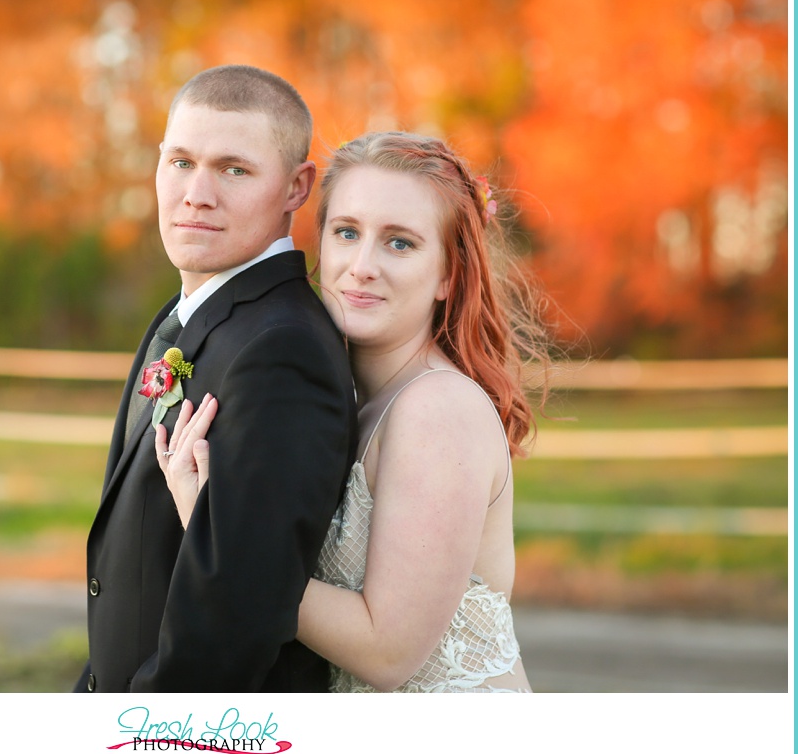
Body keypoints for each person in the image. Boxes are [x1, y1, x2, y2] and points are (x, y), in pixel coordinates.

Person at [159, 130, 553, 692]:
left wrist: (217, 532)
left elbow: (386, 652)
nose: (362, 265)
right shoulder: (354, 399)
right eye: (347, 233)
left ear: (449, 274)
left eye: (400, 243)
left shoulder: (438, 409)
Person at [74, 65, 357, 693]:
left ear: (295, 187)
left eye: (233, 169)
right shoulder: (186, 318)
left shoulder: (283, 351)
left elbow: (236, 614)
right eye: (180, 162)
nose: (196, 193)